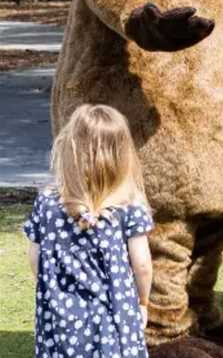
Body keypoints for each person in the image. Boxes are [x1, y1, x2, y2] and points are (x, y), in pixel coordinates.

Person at [23, 104, 153, 357]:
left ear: (69, 150)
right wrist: (143, 302)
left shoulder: (47, 203)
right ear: (122, 155)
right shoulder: (128, 206)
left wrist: (47, 285)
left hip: (60, 316)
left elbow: (35, 255)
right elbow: (143, 265)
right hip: (115, 318)